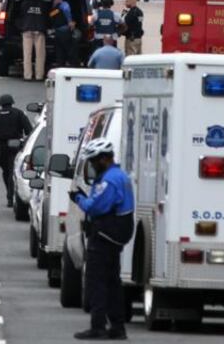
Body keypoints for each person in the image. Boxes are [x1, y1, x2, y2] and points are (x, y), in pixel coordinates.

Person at [70, 139, 134, 341]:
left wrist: (78, 198)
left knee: (97, 281)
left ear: (104, 159)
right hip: (115, 235)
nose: (92, 165)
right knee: (112, 281)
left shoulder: (109, 180)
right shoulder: (119, 175)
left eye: (93, 161)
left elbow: (95, 207)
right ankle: (117, 326)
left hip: (106, 235)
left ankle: (98, 326)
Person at [0, 94, 33, 208]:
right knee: (13, 171)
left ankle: (9, 194)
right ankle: (11, 196)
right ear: (12, 102)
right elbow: (29, 129)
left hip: (2, 146)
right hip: (15, 145)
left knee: (6, 171)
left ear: (1, 104)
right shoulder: (18, 113)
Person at [18, 0, 47, 81]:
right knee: (40, 55)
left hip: (27, 30)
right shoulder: (44, 4)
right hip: (39, 30)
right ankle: (39, 76)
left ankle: (27, 75)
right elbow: (47, 17)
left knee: (27, 54)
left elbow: (21, 16)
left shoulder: (25, 3)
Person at [49, 0, 77, 67]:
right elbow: (67, 12)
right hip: (65, 31)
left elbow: (50, 18)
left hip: (58, 32)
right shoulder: (64, 5)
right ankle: (72, 65)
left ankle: (61, 65)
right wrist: (70, 22)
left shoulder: (56, 9)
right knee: (69, 50)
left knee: (60, 51)